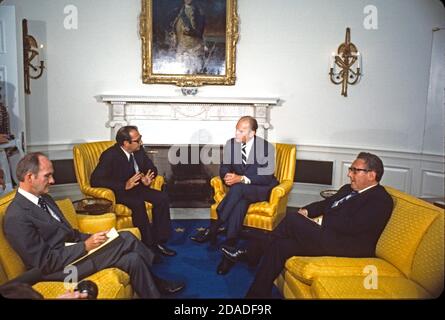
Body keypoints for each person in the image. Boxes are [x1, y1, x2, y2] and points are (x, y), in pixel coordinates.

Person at [4, 152, 185, 298]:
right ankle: (158, 273)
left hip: (71, 254)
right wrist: (85, 246)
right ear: (29, 177)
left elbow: (69, 234)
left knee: (133, 259)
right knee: (127, 238)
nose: (52, 181)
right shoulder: (17, 215)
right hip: (60, 271)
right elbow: (44, 263)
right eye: (47, 176)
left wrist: (94, 238)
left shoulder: (45, 199)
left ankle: (156, 289)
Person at [221, 152, 394, 298]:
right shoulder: (348, 189)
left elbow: (353, 226)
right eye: (351, 169)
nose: (350, 174)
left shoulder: (380, 199)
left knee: (291, 220)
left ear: (372, 175)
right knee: (281, 245)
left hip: (348, 246)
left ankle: (252, 253)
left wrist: (318, 221)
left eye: (355, 171)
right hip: (329, 236)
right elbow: (325, 205)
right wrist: (306, 211)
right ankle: (256, 295)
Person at [190, 116, 278, 275]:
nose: (236, 133)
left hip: (260, 188)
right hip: (241, 192)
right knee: (239, 204)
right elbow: (224, 167)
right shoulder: (232, 144)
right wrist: (228, 177)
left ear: (252, 133)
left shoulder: (266, 148)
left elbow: (266, 176)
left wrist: (241, 179)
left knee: (238, 189)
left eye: (241, 131)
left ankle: (214, 227)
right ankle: (229, 254)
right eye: (236, 129)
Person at [90, 126, 176, 257]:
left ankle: (159, 241)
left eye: (140, 138)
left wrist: (148, 177)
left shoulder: (139, 150)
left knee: (162, 197)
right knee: (138, 204)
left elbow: (151, 167)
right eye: (138, 140)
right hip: (120, 192)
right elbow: (95, 180)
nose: (141, 142)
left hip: (138, 188)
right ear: (126, 143)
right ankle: (148, 246)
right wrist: (124, 185)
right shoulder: (110, 155)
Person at [168, 0, 206, 74]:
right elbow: (172, 28)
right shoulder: (177, 11)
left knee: (195, 71)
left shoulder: (199, 12)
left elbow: (200, 31)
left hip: (194, 48)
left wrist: (191, 32)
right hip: (181, 48)